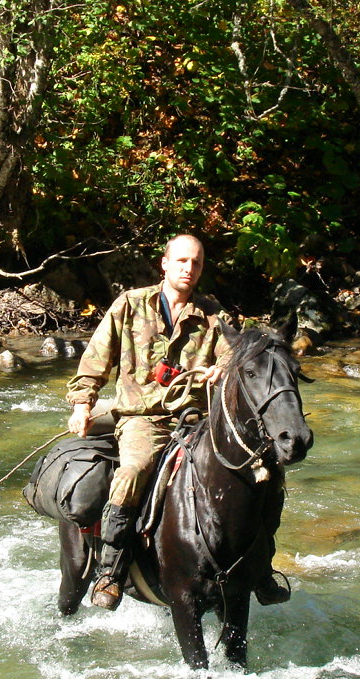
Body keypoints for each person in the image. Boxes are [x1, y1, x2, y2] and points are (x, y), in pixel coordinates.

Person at [66, 234, 290, 610]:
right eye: (182, 261)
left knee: (268, 473)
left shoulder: (211, 315)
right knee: (134, 469)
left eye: (197, 263)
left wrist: (220, 369)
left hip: (197, 420)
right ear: (164, 263)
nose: (189, 268)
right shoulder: (130, 305)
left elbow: (234, 354)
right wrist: (82, 404)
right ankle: (111, 569)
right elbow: (94, 362)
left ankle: (260, 569)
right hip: (143, 419)